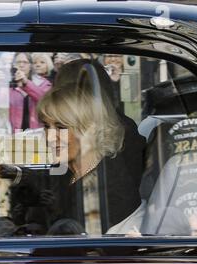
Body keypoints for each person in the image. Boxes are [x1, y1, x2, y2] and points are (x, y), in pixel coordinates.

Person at [37, 59, 146, 230]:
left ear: (89, 127)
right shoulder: (75, 173)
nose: (50, 137)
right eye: (45, 126)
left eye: (61, 127)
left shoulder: (105, 191)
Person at [9, 52, 51, 131]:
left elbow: (45, 101)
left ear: (30, 66)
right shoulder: (10, 86)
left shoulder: (44, 83)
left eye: (25, 62)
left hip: (38, 134)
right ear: (14, 65)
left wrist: (26, 83)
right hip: (16, 135)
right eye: (18, 62)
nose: (21, 65)